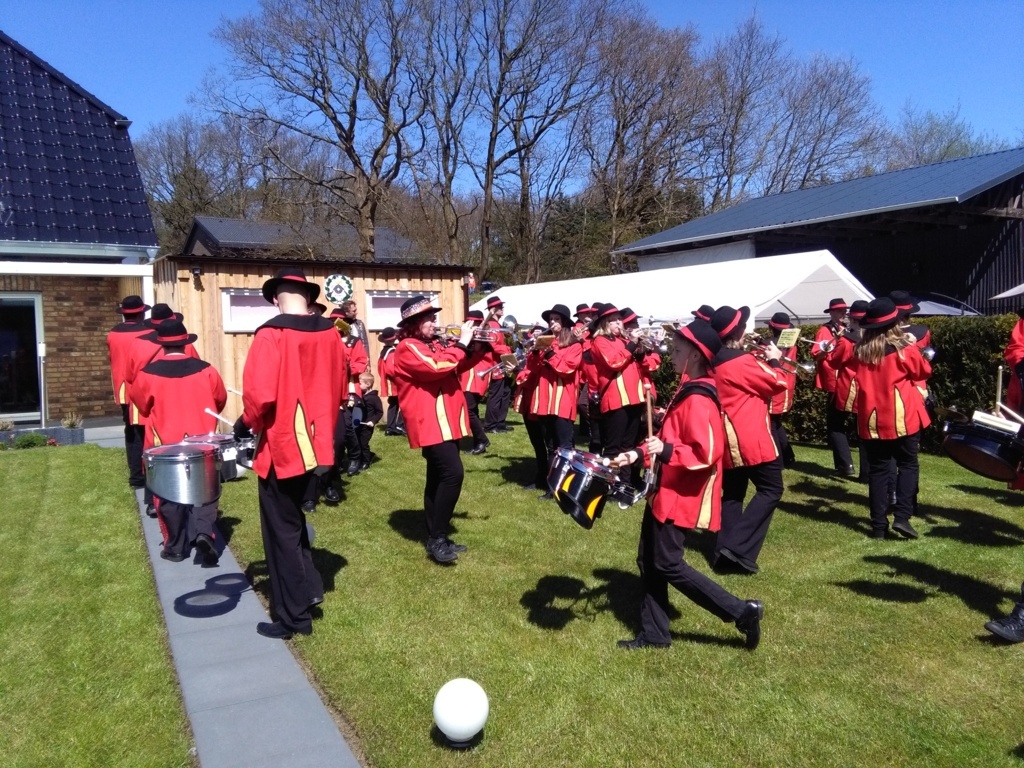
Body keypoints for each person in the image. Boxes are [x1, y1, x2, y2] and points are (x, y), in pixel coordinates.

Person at [612, 319, 763, 651]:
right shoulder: (688, 386)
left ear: (695, 355)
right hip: (664, 488)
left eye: (678, 350)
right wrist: (635, 455)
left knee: (667, 563)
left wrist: (663, 450)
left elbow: (707, 451)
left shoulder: (700, 398)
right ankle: (655, 634)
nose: (671, 354)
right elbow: (667, 437)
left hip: (679, 493)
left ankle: (741, 611)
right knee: (647, 560)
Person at [235, 268, 345, 640]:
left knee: (280, 532)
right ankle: (310, 588)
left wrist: (246, 421)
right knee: (294, 523)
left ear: (274, 298)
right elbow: (338, 387)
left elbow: (260, 394)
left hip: (284, 446)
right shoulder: (332, 333)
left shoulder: (272, 332)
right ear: (305, 294)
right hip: (320, 442)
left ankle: (293, 617)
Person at [393, 296, 487, 564]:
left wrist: (476, 346)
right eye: (430, 319)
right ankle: (436, 537)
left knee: (437, 477)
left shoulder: (432, 344)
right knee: (452, 474)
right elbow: (437, 367)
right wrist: (460, 343)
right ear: (414, 323)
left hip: (445, 421)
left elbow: (456, 366)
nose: (435, 323)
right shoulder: (407, 347)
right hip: (429, 422)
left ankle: (438, 535)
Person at [130, 319, 227, 564]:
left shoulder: (147, 374)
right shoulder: (207, 369)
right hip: (202, 440)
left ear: (160, 344)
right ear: (185, 343)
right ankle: (204, 532)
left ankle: (175, 546)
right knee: (205, 492)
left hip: (165, 442)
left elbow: (141, 405)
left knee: (167, 494)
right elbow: (220, 398)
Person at [710, 305, 787, 575]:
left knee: (733, 495)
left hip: (726, 435)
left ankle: (722, 552)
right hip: (750, 435)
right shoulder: (741, 361)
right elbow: (778, 382)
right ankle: (737, 548)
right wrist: (775, 359)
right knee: (771, 489)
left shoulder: (714, 359)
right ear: (738, 331)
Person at [848, 297, 931, 539]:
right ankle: (902, 517)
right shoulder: (903, 350)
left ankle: (878, 528)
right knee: (908, 464)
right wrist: (913, 346)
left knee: (878, 471)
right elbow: (924, 371)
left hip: (871, 418)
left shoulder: (859, 351)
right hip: (902, 416)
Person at [531, 304, 583, 499]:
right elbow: (533, 369)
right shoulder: (547, 343)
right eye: (550, 319)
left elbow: (567, 369)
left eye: (556, 319)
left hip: (563, 401)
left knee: (564, 447)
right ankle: (553, 487)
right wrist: (535, 353)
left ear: (565, 323)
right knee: (551, 445)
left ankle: (567, 487)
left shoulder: (575, 346)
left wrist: (549, 354)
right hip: (546, 401)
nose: (552, 323)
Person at [106, 295, 152, 515]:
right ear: (141, 312)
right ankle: (144, 474)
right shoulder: (148, 334)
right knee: (147, 433)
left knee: (131, 432)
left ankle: (136, 475)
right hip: (144, 386)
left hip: (123, 389)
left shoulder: (113, 334)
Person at [590, 304, 647, 473]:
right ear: (604, 324)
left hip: (634, 398)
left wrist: (641, 350)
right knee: (613, 447)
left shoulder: (624, 340)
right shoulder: (599, 341)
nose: (618, 323)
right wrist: (632, 344)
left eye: (619, 320)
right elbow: (614, 362)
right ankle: (609, 483)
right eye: (613, 321)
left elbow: (640, 365)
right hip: (616, 399)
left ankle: (625, 484)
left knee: (628, 446)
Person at [813, 298, 856, 477]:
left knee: (838, 425)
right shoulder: (824, 330)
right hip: (835, 381)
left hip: (850, 381)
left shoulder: (852, 330)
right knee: (835, 424)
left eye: (843, 310)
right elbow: (817, 355)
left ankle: (846, 466)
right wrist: (832, 345)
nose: (842, 314)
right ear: (831, 313)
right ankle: (845, 466)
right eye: (838, 311)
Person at [765, 312, 798, 468]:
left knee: (771, 424)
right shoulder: (792, 342)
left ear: (772, 327)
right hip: (787, 384)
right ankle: (788, 457)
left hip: (775, 386)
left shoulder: (768, 345)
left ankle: (778, 460)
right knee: (776, 423)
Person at [459, 310, 491, 454]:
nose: (470, 325)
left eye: (473, 322)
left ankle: (482, 439)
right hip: (467, 378)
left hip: (475, 378)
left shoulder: (482, 338)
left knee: (469, 410)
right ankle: (478, 443)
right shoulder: (473, 336)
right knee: (473, 410)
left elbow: (474, 351)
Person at [482, 296, 514, 433]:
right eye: (500, 307)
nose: (502, 309)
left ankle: (500, 423)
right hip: (496, 364)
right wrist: (508, 350)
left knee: (505, 393)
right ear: (493, 309)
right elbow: (494, 346)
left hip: (502, 363)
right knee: (496, 395)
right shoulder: (492, 325)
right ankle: (490, 425)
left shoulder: (498, 325)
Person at [573, 303, 598, 442]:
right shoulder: (578, 327)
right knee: (584, 402)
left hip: (590, 371)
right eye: (586, 314)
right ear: (580, 316)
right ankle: (586, 429)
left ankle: (588, 429)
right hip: (584, 371)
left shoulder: (592, 329)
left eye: (591, 314)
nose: (588, 316)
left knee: (586, 402)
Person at [377, 327, 406, 436]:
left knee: (393, 405)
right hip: (395, 383)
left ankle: (391, 427)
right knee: (404, 404)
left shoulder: (384, 351)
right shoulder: (392, 352)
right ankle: (399, 424)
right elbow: (391, 370)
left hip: (389, 383)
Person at [354, 371, 384, 471]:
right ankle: (366, 456)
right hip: (358, 424)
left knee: (363, 444)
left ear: (368, 384)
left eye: (360, 383)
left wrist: (373, 421)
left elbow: (379, 412)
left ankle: (366, 462)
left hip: (367, 426)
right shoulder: (360, 397)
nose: (358, 385)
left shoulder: (374, 398)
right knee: (357, 443)